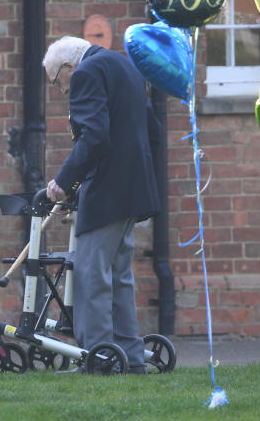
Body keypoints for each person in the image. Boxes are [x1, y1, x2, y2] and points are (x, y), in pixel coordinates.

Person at [43, 36, 161, 374]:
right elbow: (152, 130)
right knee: (120, 277)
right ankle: (130, 358)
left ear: (68, 67)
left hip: (107, 191)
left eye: (57, 82)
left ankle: (97, 360)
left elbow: (94, 137)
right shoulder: (124, 65)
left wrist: (63, 182)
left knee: (91, 278)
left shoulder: (86, 73)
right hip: (134, 190)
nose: (62, 92)